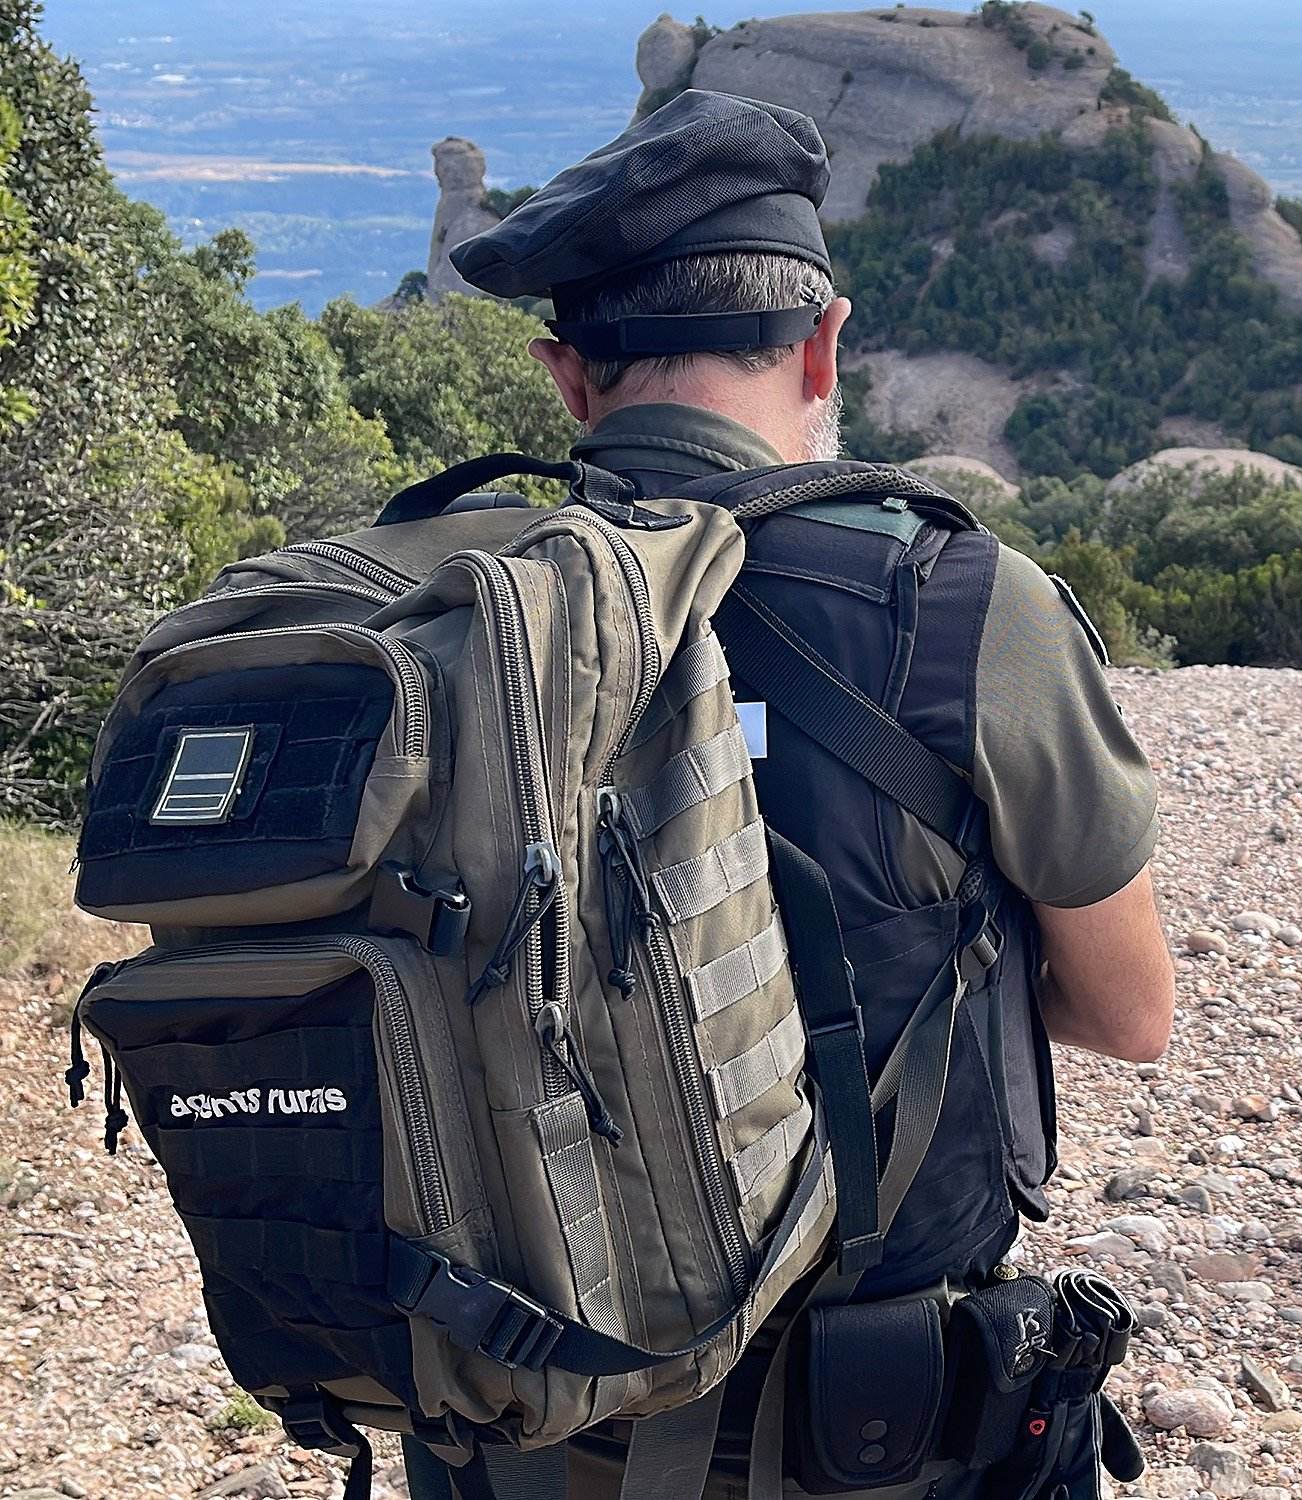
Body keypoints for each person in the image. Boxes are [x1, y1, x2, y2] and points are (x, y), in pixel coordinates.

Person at [448, 90, 1176, 1497]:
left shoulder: (431, 608)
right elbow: (1126, 1013)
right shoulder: (966, 612)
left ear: (566, 377)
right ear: (825, 341)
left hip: (505, 1418)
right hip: (861, 1431)